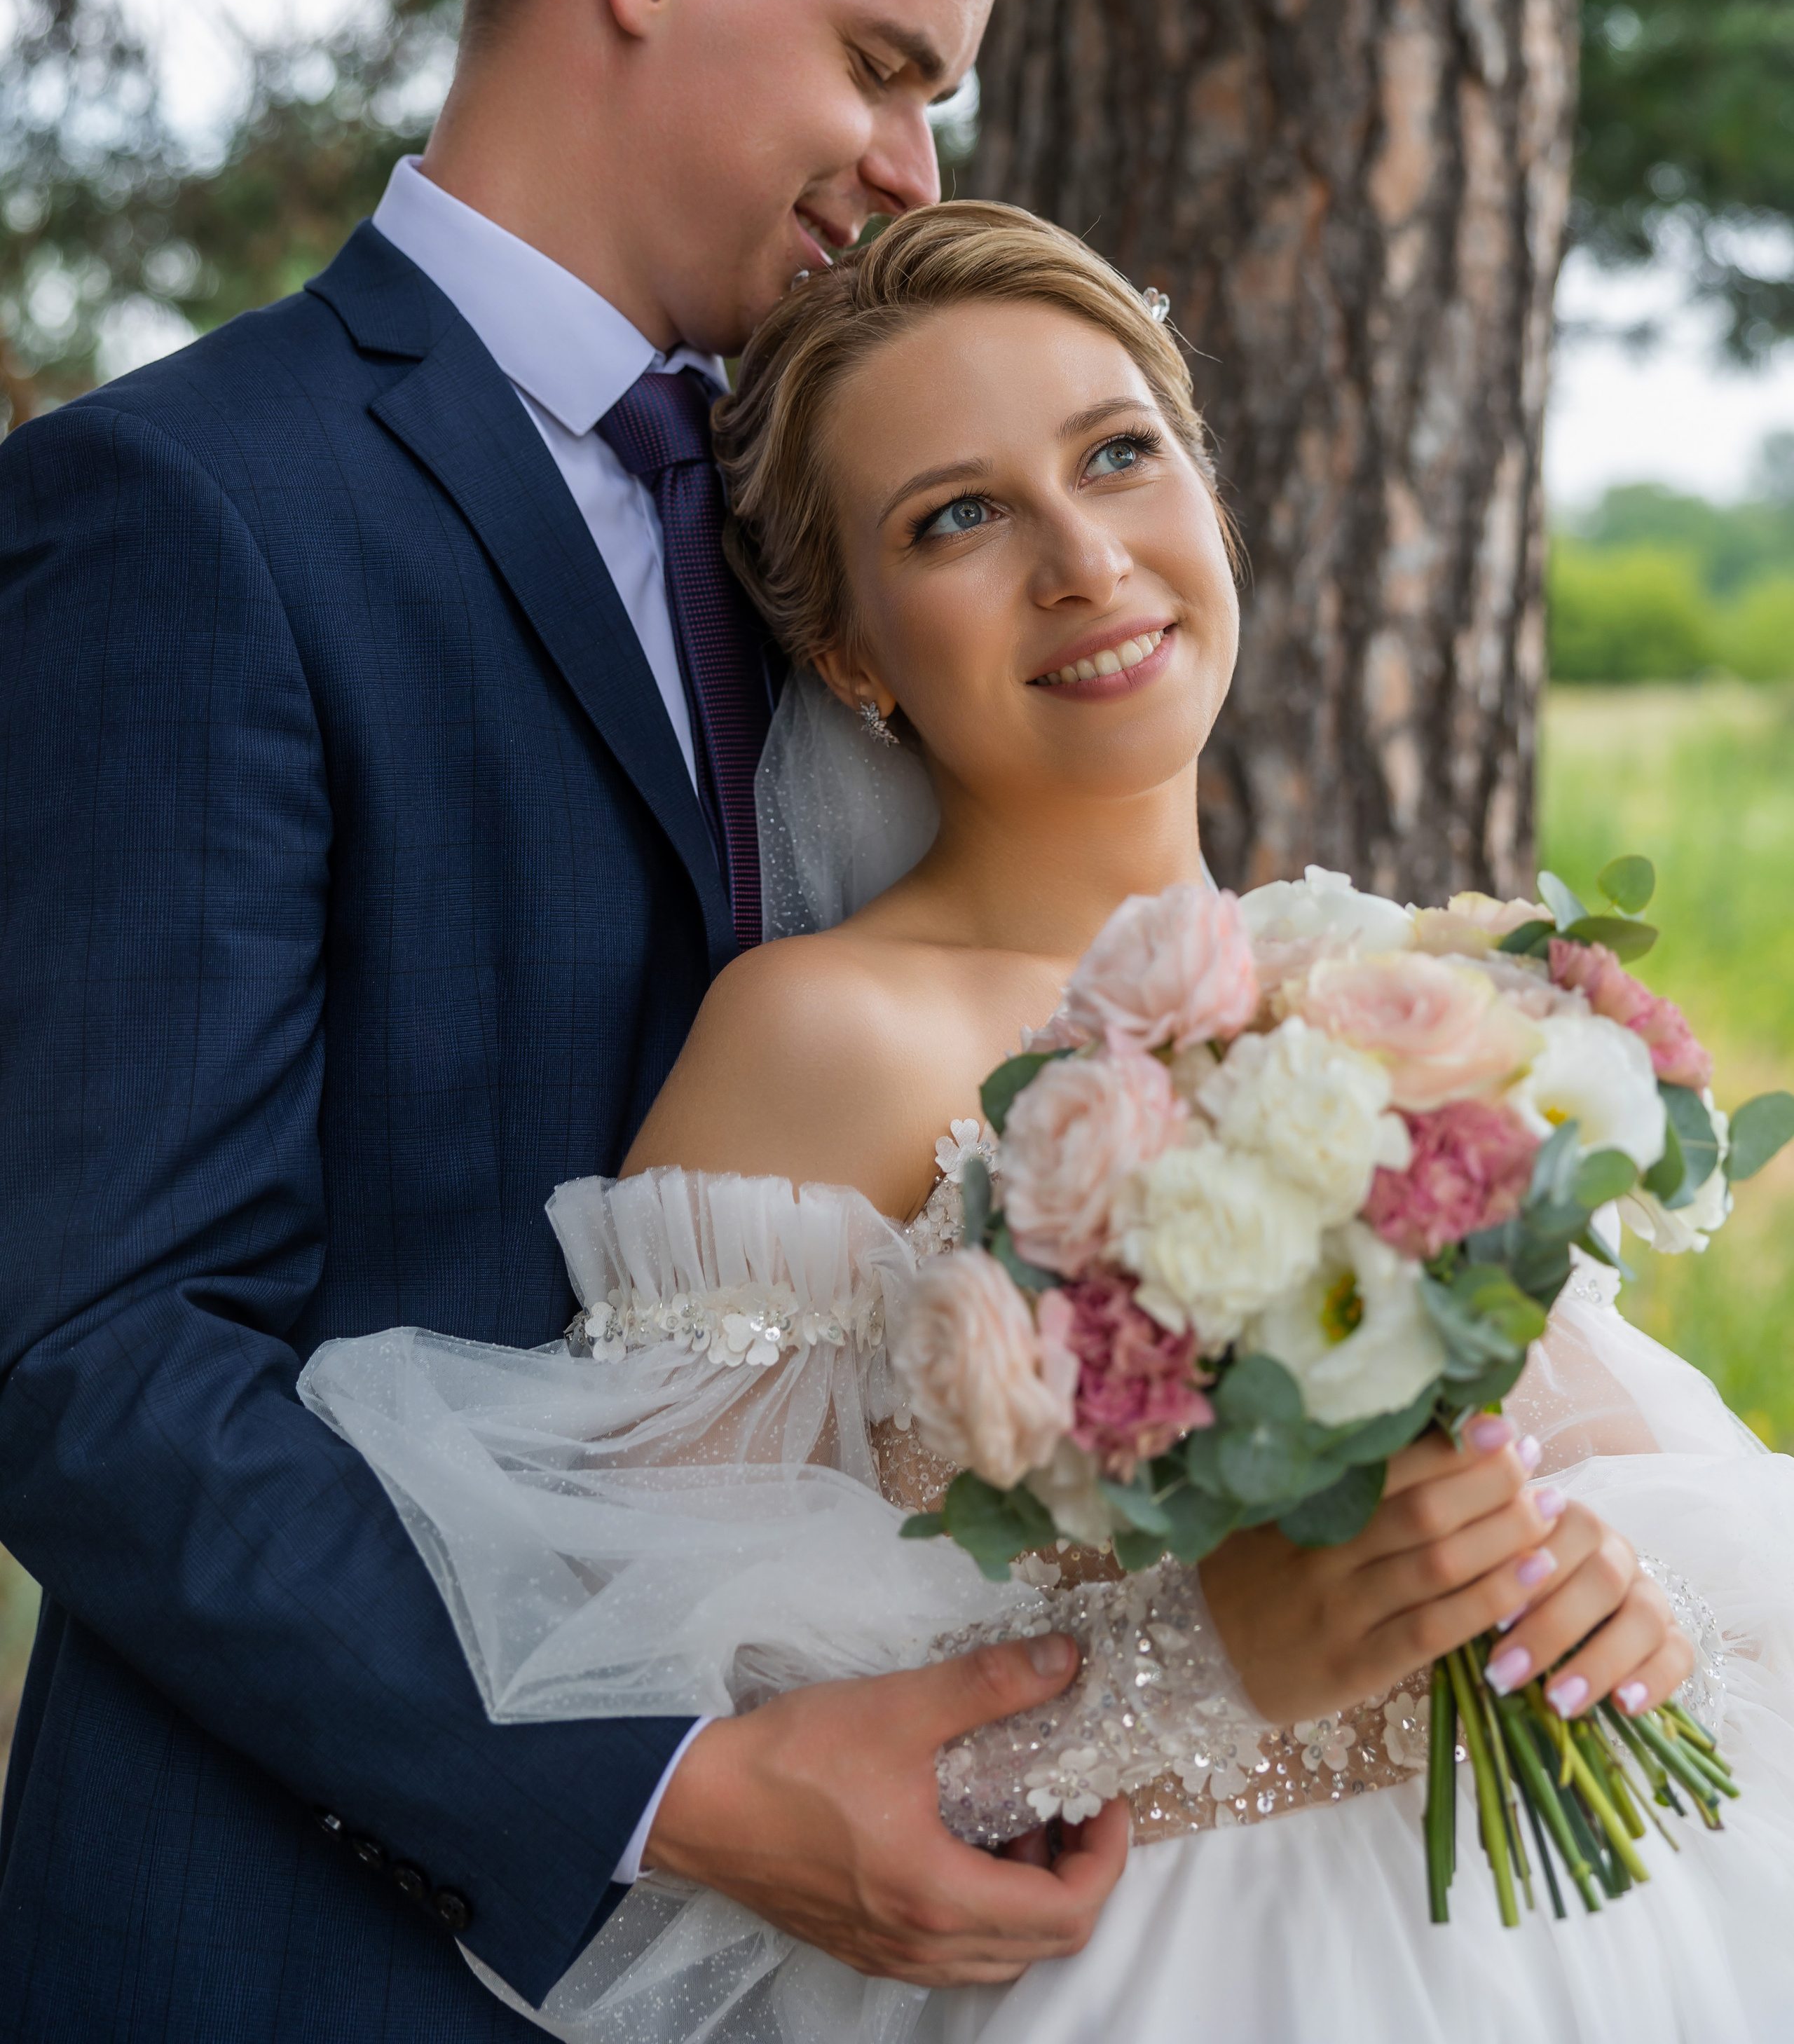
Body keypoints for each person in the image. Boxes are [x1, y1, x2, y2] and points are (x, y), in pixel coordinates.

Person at [299, 203, 1794, 2044]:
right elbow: (713, 1749)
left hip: (1578, 1948)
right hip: (1153, 1981)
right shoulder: (824, 1035)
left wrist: (1598, 1596)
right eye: (959, 517)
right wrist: (1211, 1670)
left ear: (1205, 493)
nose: (1084, 559)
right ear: (852, 651)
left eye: (1116, 456)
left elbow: (1648, 1484)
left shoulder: (1392, 998)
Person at [0, 0, 1048, 2041]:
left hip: (822, 1954)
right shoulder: (181, 512)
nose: (918, 165)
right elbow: (94, 1353)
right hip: (299, 1948)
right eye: (888, 69)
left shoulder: (834, 537)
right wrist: (664, 1790)